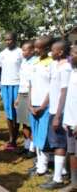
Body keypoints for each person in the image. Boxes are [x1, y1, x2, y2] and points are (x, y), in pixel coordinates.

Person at [39, 40, 71, 189]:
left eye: (54, 50)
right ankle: (63, 171)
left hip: (61, 111)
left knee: (59, 143)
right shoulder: (54, 65)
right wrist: (44, 105)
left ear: (61, 52)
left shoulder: (65, 68)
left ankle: (57, 179)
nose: (51, 52)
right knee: (56, 143)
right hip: (52, 109)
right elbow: (51, 89)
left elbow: (64, 92)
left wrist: (58, 115)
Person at [28, 36, 53, 176]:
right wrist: (30, 103)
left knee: (44, 136)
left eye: (39, 47)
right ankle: (39, 162)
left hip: (46, 106)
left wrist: (43, 106)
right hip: (34, 105)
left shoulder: (52, 64)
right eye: (35, 47)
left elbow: (52, 88)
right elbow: (31, 85)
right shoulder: (35, 63)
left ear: (47, 48)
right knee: (36, 134)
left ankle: (43, 166)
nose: (36, 50)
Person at [0, 32, 23, 150]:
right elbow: (1, 69)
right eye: (6, 40)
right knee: (8, 113)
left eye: (10, 40)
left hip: (17, 84)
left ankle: (15, 138)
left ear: (15, 40)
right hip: (5, 85)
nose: (8, 42)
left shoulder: (20, 52)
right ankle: (11, 138)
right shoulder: (2, 54)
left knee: (16, 112)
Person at [14, 41, 37, 158]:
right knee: (23, 122)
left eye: (26, 50)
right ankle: (27, 146)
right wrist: (17, 97)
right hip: (22, 94)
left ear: (32, 50)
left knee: (31, 124)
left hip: (30, 95)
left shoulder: (36, 62)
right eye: (22, 50)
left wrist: (31, 99)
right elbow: (21, 81)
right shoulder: (23, 62)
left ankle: (33, 149)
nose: (23, 52)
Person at [60, 45, 77, 192]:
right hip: (70, 122)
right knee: (72, 153)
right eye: (71, 52)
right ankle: (74, 184)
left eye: (74, 53)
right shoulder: (72, 71)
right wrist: (66, 119)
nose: (71, 56)